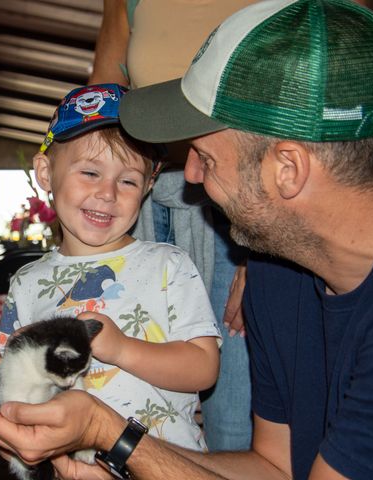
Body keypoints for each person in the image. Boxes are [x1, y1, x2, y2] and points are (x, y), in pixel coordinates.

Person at [0, 1, 373, 479]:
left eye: (205, 156)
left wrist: (108, 435)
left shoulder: (178, 267)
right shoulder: (275, 280)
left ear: (288, 169)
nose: (190, 178)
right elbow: (271, 468)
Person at [0, 83, 221, 451]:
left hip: (166, 466)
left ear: (149, 185)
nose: (108, 193)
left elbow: (204, 368)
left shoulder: (170, 266)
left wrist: (121, 349)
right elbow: (12, 381)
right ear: (46, 172)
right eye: (90, 173)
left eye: (128, 180)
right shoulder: (26, 283)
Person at [89, 0, 257, 452]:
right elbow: (104, 96)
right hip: (143, 193)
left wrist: (264, 255)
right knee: (131, 388)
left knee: (230, 410)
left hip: (235, 198)